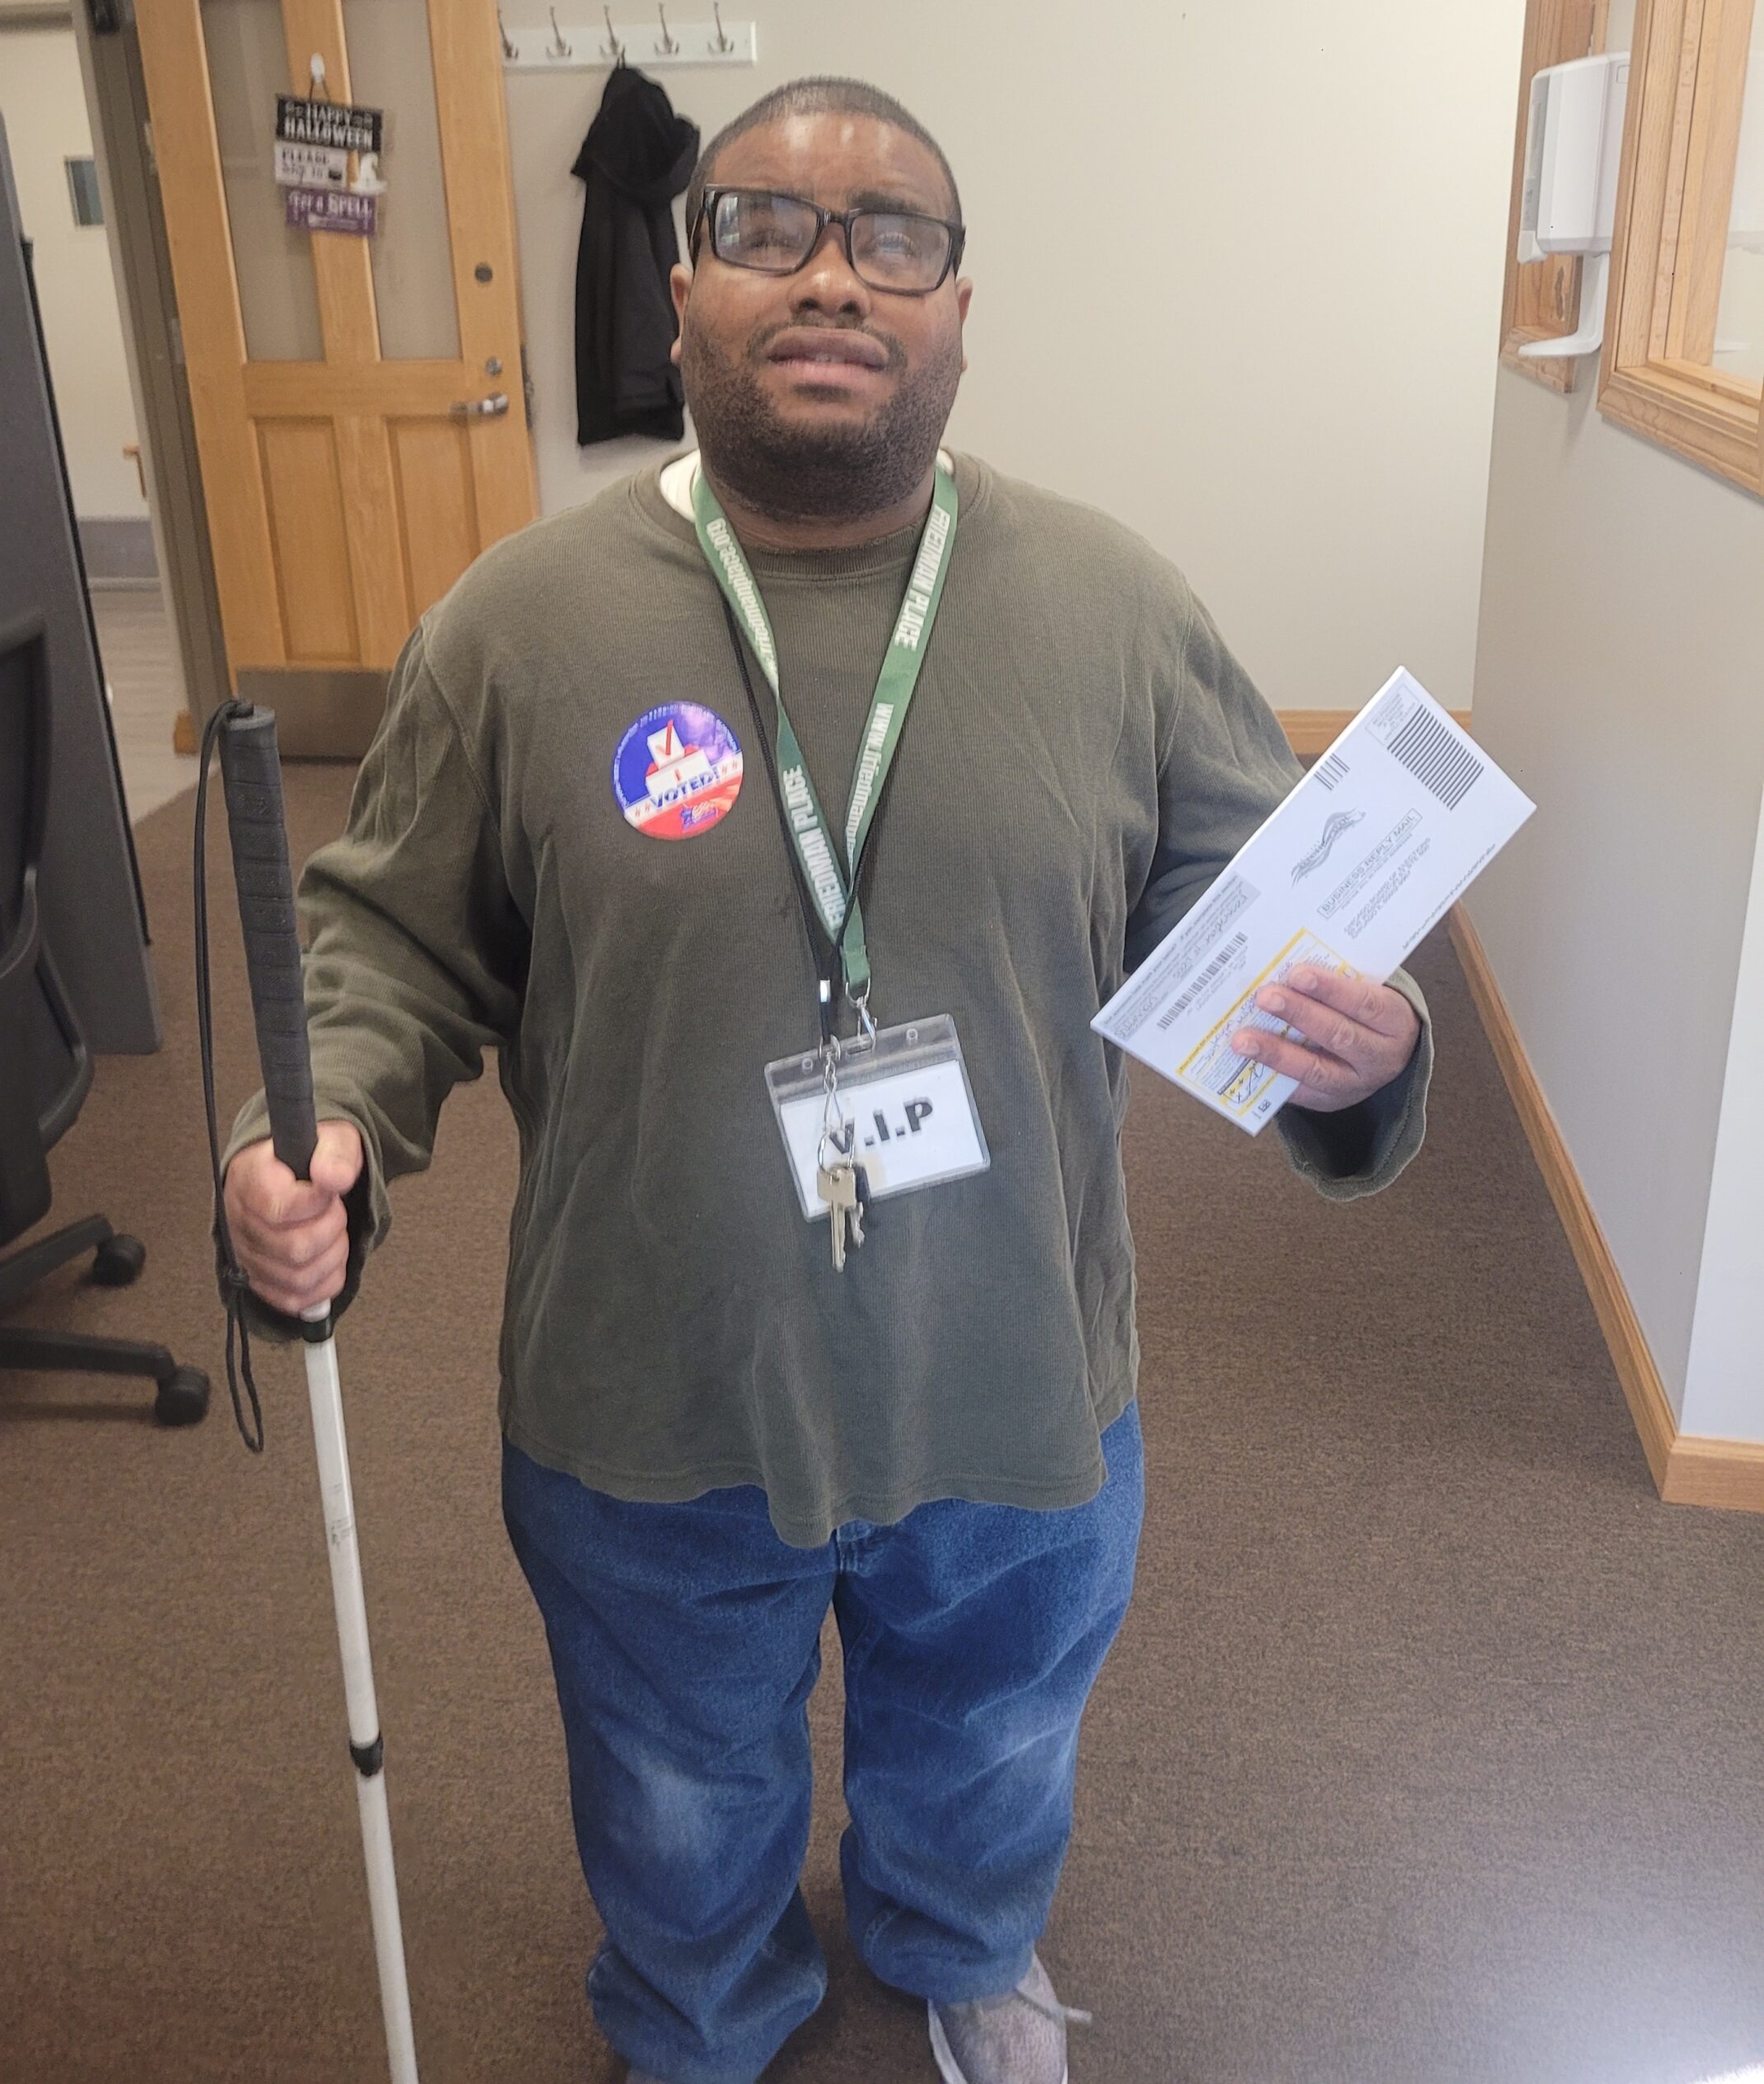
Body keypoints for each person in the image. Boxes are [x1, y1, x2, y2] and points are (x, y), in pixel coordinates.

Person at [222, 77, 1430, 2084]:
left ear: (958, 311)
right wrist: (323, 1114)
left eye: (893, 238)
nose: (832, 275)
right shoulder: (515, 627)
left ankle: (961, 1944)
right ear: (679, 288)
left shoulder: (1115, 608)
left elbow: (1264, 902)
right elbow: (389, 940)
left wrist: (1363, 1031)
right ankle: (698, 2011)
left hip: (1015, 1365)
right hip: (653, 1381)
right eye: (767, 227)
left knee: (992, 1733)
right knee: (673, 1773)